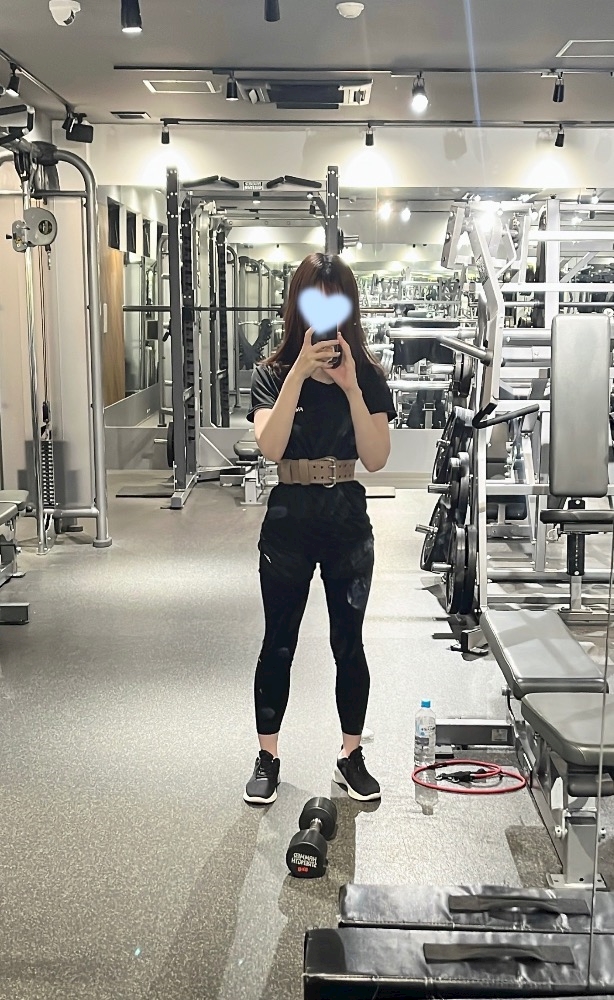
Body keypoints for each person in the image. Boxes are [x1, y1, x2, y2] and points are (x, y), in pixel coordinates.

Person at [244, 253, 396, 806]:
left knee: (348, 643)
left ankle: (350, 755)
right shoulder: (270, 375)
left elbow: (376, 458)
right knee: (278, 641)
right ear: (299, 305)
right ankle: (267, 756)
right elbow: (270, 447)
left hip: (346, 520)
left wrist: (352, 388)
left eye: (336, 300)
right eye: (315, 299)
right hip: (289, 518)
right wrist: (298, 376)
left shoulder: (368, 375)